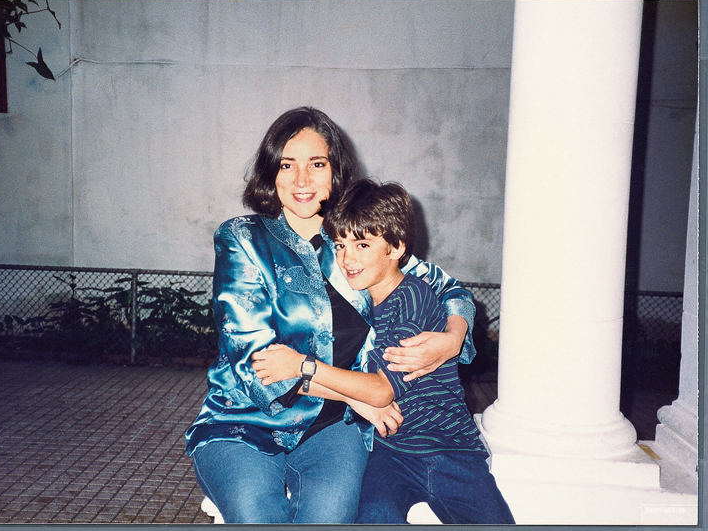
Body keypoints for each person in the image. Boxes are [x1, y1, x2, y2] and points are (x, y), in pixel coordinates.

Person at [184, 107, 478, 524]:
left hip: (333, 429)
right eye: (287, 165)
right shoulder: (242, 238)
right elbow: (257, 363)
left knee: (330, 517)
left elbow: (450, 290)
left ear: (335, 171)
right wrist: (361, 396)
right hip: (243, 422)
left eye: (316, 164)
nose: (302, 180)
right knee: (257, 515)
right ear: (271, 173)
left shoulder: (356, 238)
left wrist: (451, 339)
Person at [252, 178, 515, 525]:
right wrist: (294, 372)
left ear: (395, 248)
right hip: (391, 452)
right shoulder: (360, 299)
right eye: (340, 245)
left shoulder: (411, 297)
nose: (347, 258)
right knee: (373, 517)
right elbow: (340, 383)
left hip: (448, 450)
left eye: (362, 245)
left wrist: (303, 366)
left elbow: (380, 391)